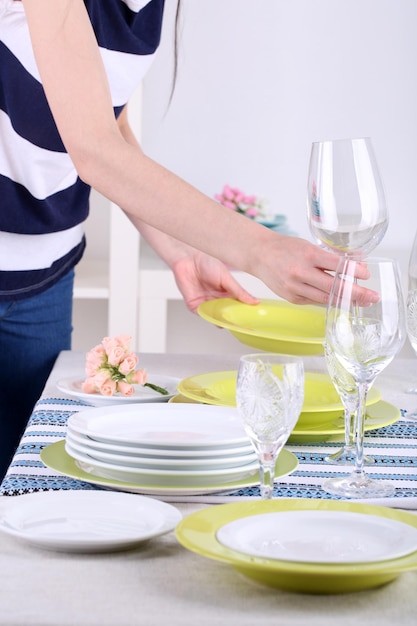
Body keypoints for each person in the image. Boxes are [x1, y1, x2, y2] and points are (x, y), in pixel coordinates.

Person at [0, 0, 376, 481]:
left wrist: (177, 243)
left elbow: (107, 123)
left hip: (47, 270)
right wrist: (258, 249)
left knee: (32, 485)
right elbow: (94, 151)